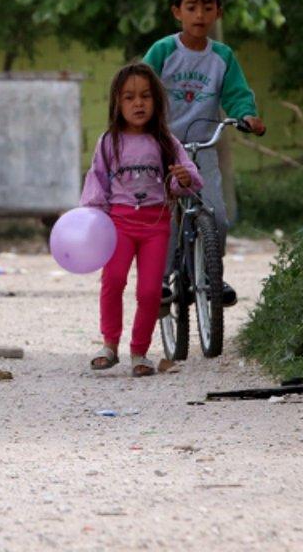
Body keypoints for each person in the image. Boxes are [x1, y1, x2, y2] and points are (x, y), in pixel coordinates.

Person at [143, 0, 266, 308]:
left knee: (216, 216)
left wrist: (247, 116)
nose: (199, 15)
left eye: (207, 8)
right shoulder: (163, 51)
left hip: (202, 150)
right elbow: (140, 87)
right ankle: (161, 279)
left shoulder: (222, 57)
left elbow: (238, 95)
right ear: (177, 12)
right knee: (164, 217)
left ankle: (211, 274)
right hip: (163, 151)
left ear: (218, 13)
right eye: (192, 7)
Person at [81, 62, 201, 377]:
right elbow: (97, 182)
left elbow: (187, 178)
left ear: (156, 102)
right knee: (113, 280)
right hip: (118, 224)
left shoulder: (166, 142)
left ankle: (139, 352)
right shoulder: (109, 142)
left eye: (146, 96)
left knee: (149, 292)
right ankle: (109, 345)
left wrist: (183, 178)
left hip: (156, 226)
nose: (138, 103)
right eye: (129, 97)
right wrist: (93, 218)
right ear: (117, 103)